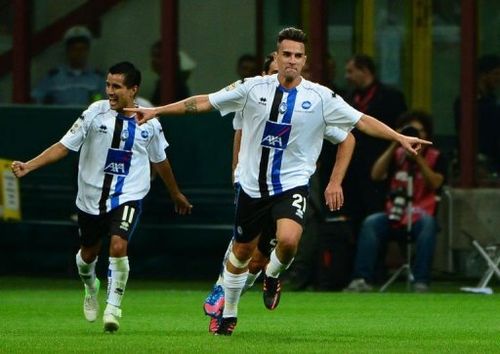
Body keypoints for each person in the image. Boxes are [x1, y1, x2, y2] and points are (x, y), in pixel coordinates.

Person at [125, 27, 430, 336]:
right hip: (252, 186)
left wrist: (399, 137)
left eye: (298, 56)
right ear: (277, 56)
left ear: (305, 60)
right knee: (242, 253)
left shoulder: (321, 97)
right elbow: (205, 101)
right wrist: (157, 110)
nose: (291, 61)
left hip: (292, 184)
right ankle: (229, 312)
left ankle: (273, 275)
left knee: (287, 240)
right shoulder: (251, 88)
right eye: (286, 54)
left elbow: (360, 121)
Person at [12, 61, 192, 332]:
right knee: (87, 256)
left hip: (128, 195)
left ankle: (113, 308)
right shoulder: (94, 113)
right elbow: (64, 146)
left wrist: (175, 193)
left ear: (133, 90)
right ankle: (90, 286)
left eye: (116, 86)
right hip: (90, 198)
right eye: (108, 85)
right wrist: (29, 165)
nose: (109, 91)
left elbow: (160, 160)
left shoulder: (150, 122)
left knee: (119, 245)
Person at [203, 51, 356, 333]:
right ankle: (223, 296)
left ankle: (255, 282)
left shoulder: (310, 104)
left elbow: (346, 137)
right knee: (244, 247)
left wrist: (335, 181)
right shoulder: (251, 99)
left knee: (266, 254)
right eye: (275, 69)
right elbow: (240, 136)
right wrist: (236, 174)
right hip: (252, 184)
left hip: (287, 188)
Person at [344, 111, 446, 293]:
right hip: (394, 214)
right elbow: (376, 175)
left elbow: (436, 183)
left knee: (428, 224)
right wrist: (395, 141)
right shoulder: (397, 154)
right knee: (371, 222)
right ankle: (361, 279)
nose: (415, 135)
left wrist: (418, 159)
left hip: (420, 216)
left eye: (419, 131)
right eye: (410, 131)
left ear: (427, 134)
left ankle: (421, 282)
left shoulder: (436, 156)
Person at [344, 54, 408, 227]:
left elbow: (399, 130)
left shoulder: (391, 97)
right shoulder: (347, 99)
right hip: (352, 170)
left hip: (381, 167)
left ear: (364, 71)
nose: (347, 77)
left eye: (351, 71)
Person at [31, 26, 105, 105]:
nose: (79, 53)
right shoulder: (53, 78)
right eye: (74, 49)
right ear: (67, 51)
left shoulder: (98, 79)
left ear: (87, 51)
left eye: (82, 49)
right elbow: (36, 100)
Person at [454, 54, 500, 174]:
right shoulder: (466, 104)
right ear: (483, 75)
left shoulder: (493, 102)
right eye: (495, 74)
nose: (498, 78)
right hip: (476, 162)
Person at [150, 40, 196, 105]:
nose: (154, 60)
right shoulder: (160, 83)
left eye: (159, 56)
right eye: (153, 56)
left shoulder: (174, 85)